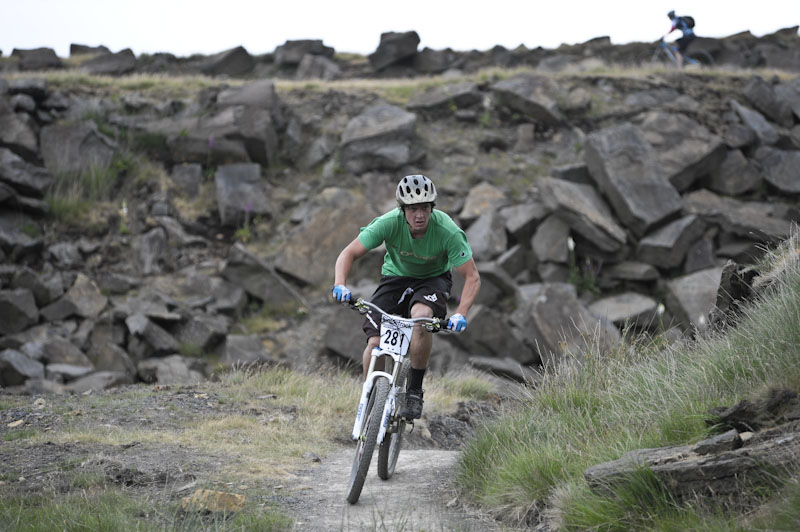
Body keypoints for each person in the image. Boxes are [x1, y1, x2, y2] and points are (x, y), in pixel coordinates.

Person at [332, 174, 481, 419]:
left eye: (424, 208)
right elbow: (348, 253)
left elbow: (472, 276)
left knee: (421, 317)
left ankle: (414, 391)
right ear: (403, 210)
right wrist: (340, 284)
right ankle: (370, 398)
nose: (419, 215)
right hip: (395, 279)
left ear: (432, 207)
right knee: (375, 343)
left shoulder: (447, 230)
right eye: (412, 209)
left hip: (433, 279)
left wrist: (461, 314)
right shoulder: (389, 222)